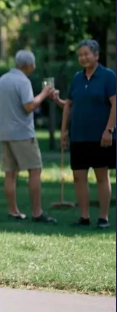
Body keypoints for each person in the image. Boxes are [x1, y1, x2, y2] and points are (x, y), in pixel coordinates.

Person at [53, 40, 116, 229]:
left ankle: (103, 218)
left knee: (101, 176)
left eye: (87, 54)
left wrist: (109, 130)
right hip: (78, 136)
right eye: (80, 54)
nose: (83, 57)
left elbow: (115, 104)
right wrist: (64, 131)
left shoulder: (108, 76)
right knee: (79, 177)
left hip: (101, 137)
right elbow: (69, 106)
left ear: (96, 55)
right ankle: (84, 217)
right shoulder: (77, 78)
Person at [0, 50, 56, 223]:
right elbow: (28, 106)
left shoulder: (2, 80)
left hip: (5, 133)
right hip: (22, 133)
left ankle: (13, 211)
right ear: (28, 65)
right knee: (35, 170)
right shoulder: (23, 81)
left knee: (10, 173)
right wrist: (44, 93)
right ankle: (37, 212)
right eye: (33, 65)